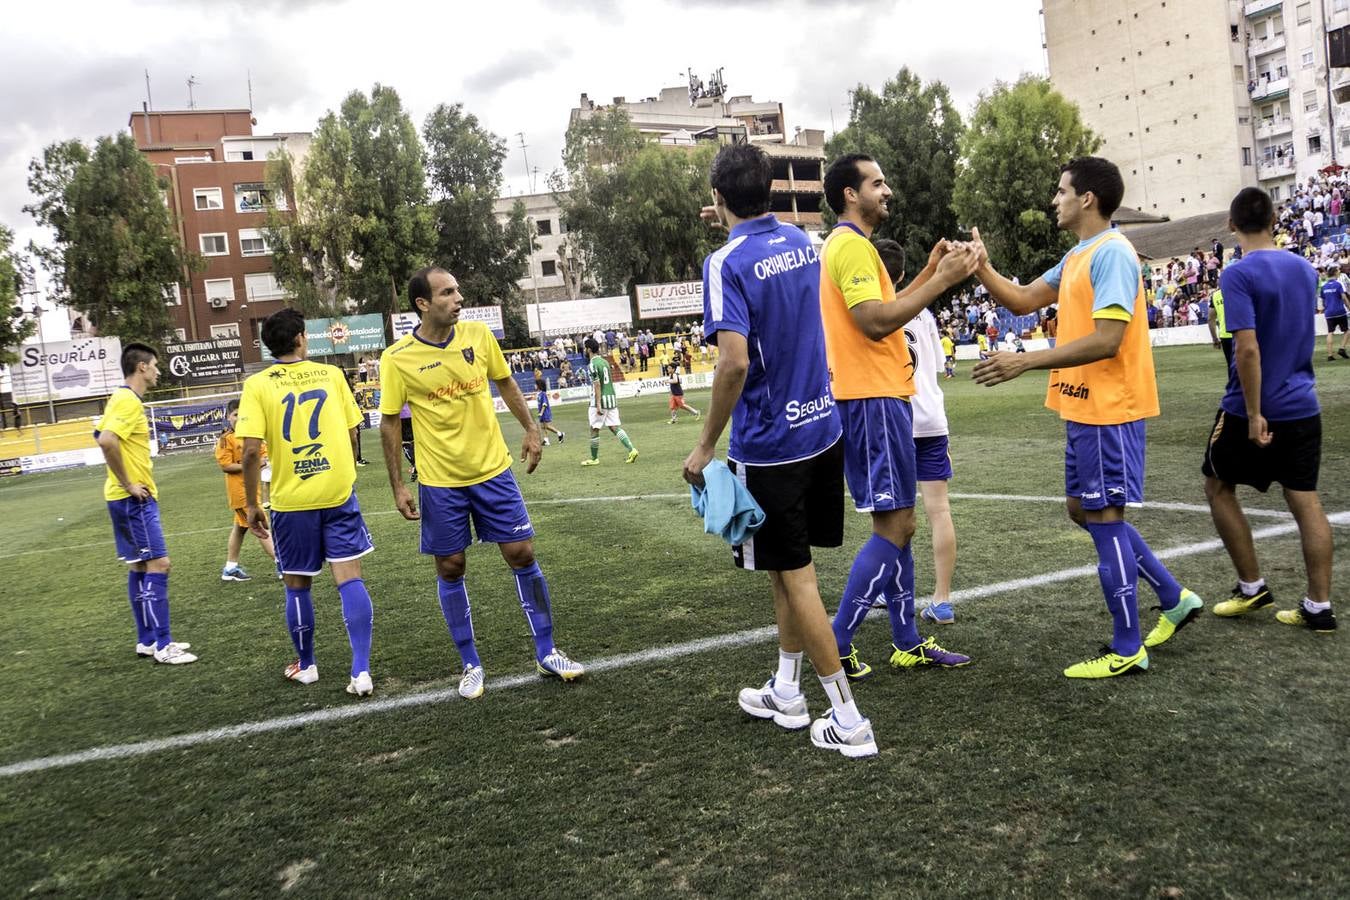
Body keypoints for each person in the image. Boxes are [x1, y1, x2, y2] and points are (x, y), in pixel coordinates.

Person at [969, 156, 1203, 678]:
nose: (1055, 200)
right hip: (1082, 407)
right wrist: (982, 266)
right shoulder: (1078, 255)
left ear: (1087, 198)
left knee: (1104, 517)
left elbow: (1107, 339)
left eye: (1061, 191)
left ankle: (1127, 647)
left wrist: (1024, 361)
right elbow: (1023, 300)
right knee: (1082, 509)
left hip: (1108, 410)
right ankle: (1173, 597)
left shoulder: (1113, 253)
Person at [682, 142, 876, 757]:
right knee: (785, 570)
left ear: (718, 198)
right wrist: (733, 217)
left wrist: (705, 445)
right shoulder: (801, 239)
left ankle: (848, 719)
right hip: (822, 428)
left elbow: (733, 362)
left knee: (797, 578)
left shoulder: (724, 263)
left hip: (771, 446)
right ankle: (787, 691)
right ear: (769, 190)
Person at [380, 267, 584, 700]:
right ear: (423, 303)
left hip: (493, 471)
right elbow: (389, 423)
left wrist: (531, 428)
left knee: (522, 552)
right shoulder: (397, 358)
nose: (459, 298)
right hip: (440, 482)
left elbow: (505, 381)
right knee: (451, 566)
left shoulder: (478, 335)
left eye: (458, 290)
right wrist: (398, 485)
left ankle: (547, 651)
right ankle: (471, 663)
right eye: (447, 292)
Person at [817, 153, 977, 681]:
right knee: (897, 525)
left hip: (879, 397)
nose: (887, 191)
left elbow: (887, 308)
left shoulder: (852, 246)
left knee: (900, 524)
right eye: (877, 182)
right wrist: (940, 281)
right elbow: (873, 322)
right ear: (850, 194)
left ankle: (906, 641)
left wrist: (930, 272)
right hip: (872, 398)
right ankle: (836, 644)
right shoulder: (851, 246)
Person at [1205, 187, 1336, 632]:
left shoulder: (1237, 274)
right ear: (1274, 220)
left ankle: (1252, 587)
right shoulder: (1304, 268)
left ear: (1231, 224)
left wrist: (1255, 412)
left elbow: (1247, 349)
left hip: (1252, 407)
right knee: (1305, 500)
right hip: (1303, 404)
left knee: (1218, 487)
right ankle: (1318, 605)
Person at [237, 308, 376, 696]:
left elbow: (250, 452)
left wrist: (253, 505)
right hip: (337, 492)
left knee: (297, 585)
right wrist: (344, 467)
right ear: (300, 338)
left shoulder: (257, 385)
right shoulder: (331, 375)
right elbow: (353, 431)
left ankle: (307, 665)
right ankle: (361, 671)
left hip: (291, 499)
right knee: (350, 579)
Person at [871, 239, 961, 625]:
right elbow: (937, 365)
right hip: (932, 419)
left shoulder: (875, 313)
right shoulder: (923, 313)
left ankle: (893, 591)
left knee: (892, 514)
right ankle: (942, 600)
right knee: (939, 511)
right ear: (904, 274)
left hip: (896, 418)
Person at [95, 343, 196, 665]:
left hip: (121, 497)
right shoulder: (127, 400)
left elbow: (100, 433)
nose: (157, 371)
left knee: (139, 565)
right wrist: (129, 483)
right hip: (133, 498)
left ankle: (147, 640)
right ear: (142, 367)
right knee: (159, 564)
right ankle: (164, 646)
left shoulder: (119, 397)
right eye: (154, 365)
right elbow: (106, 440)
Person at [215, 399, 276, 581]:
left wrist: (260, 461)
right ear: (228, 417)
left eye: (243, 415)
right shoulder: (226, 439)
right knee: (261, 526)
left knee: (240, 529)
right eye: (235, 415)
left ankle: (230, 568)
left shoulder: (252, 437)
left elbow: (264, 456)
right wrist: (250, 464)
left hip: (253, 490)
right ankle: (282, 564)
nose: (239, 418)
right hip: (240, 493)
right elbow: (226, 466)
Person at [581, 338, 638, 466]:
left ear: (589, 349)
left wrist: (598, 404)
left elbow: (597, 385)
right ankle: (632, 449)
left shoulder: (592, 365)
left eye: (585, 348)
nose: (584, 350)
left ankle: (594, 458)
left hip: (600, 400)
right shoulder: (605, 362)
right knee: (614, 427)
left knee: (594, 429)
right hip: (611, 398)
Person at [1319, 265, 1349, 361]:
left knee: (1330, 332)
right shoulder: (1338, 284)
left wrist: (1326, 308)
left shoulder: (1324, 287)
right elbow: (1344, 298)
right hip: (1339, 311)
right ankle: (1342, 348)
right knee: (1347, 331)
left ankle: (1330, 355)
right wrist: (1349, 307)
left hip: (1329, 312)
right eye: (1338, 270)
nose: (1339, 271)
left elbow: (1323, 300)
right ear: (1335, 273)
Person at [533, 369, 565, 445]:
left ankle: (560, 433)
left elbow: (544, 404)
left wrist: (541, 412)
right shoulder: (539, 394)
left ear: (539, 386)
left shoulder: (543, 394)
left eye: (536, 385)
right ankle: (546, 440)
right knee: (542, 426)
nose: (534, 386)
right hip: (541, 412)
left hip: (544, 412)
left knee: (546, 426)